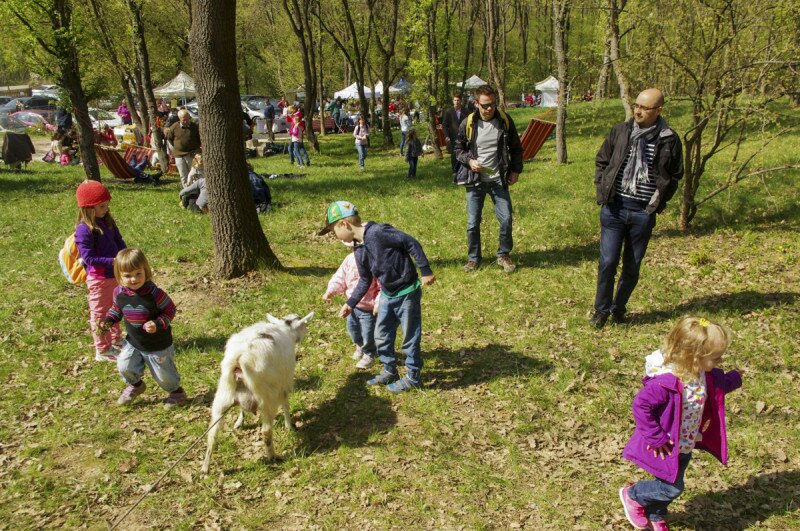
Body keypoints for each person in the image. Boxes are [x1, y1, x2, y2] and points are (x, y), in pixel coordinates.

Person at [620, 316, 742, 530]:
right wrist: (656, 437)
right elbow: (641, 405)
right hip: (665, 443)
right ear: (694, 356)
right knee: (672, 487)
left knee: (669, 479)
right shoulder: (666, 382)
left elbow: (719, 385)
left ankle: (656, 514)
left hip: (686, 442)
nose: (720, 361)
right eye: (715, 357)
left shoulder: (703, 374)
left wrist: (735, 378)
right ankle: (633, 495)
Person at [590, 88, 684, 328]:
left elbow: (674, 175)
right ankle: (601, 311)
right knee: (608, 261)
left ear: (659, 110)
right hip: (614, 208)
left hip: (643, 213)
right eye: (636, 105)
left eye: (645, 107)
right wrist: (602, 191)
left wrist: (657, 203)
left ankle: (618, 308)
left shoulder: (669, 138)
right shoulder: (621, 131)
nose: (638, 111)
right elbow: (602, 161)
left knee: (632, 266)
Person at [318, 201, 436, 393]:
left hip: (407, 291)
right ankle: (390, 370)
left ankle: (414, 376)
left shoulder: (378, 233)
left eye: (333, 231)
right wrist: (351, 303)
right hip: (387, 295)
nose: (334, 236)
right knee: (381, 335)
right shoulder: (360, 249)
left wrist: (425, 270)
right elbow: (365, 280)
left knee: (410, 336)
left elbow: (410, 242)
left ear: (343, 225)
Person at [97, 248, 187, 409]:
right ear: (119, 275)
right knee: (124, 365)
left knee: (163, 375)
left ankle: (177, 393)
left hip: (157, 345)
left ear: (146, 271)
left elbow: (170, 310)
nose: (134, 279)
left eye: (138, 273)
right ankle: (136, 385)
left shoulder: (154, 294)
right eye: (128, 275)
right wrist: (109, 321)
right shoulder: (119, 292)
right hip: (133, 342)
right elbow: (116, 309)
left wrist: (158, 323)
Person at [453, 84, 523, 274]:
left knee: (506, 218)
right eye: (484, 105)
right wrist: (470, 161)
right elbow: (458, 149)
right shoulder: (468, 123)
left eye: (492, 104)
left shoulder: (504, 121)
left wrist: (516, 170)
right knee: (472, 223)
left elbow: (516, 148)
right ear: (476, 104)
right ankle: (474, 258)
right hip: (475, 180)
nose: (489, 108)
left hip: (498, 179)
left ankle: (503, 254)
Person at [74, 181, 127, 362]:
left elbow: (119, 241)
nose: (106, 208)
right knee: (100, 314)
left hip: (115, 275)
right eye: (102, 206)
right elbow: (88, 259)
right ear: (89, 208)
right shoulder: (84, 230)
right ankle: (103, 350)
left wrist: (125, 255)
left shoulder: (108, 222)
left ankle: (116, 340)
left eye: (106, 205)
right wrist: (114, 261)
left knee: (116, 309)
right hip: (100, 279)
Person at [322, 241, 381, 370]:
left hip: (369, 308)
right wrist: (331, 290)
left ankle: (369, 353)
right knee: (353, 329)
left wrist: (378, 303)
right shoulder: (349, 260)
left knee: (368, 332)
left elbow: (382, 287)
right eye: (357, 249)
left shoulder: (376, 262)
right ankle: (359, 345)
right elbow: (340, 277)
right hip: (351, 306)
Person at [165, 109, 202, 186]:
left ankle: (196, 192)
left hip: (192, 154)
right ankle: (187, 193)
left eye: (187, 118)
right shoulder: (174, 127)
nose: (186, 121)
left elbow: (199, 140)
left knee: (194, 174)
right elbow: (169, 138)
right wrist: (177, 147)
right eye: (184, 119)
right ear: (180, 118)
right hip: (179, 156)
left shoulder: (194, 127)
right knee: (183, 175)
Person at [442, 93, 468, 177]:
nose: (456, 102)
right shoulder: (449, 112)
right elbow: (444, 125)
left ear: (461, 101)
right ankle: (455, 170)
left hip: (465, 137)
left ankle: (464, 169)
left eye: (458, 100)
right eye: (455, 100)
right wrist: (446, 136)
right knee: (454, 154)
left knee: (464, 152)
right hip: (453, 137)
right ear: (453, 101)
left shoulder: (466, 111)